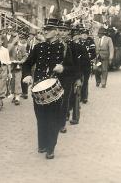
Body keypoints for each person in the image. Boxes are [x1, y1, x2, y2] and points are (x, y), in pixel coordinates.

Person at [23, 18, 79, 159]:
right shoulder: (39, 47)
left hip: (56, 90)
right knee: (40, 117)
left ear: (55, 31)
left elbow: (73, 69)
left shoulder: (64, 48)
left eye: (48, 29)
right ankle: (42, 143)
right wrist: (28, 75)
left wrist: (63, 68)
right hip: (38, 88)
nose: (45, 31)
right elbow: (27, 64)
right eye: (45, 29)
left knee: (53, 119)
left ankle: (51, 147)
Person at [0, 35, 12, 111]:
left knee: (2, 84)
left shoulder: (5, 50)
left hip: (3, 67)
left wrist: (9, 72)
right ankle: (0, 99)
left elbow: (8, 62)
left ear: (2, 41)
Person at [9, 32, 28, 105]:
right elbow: (8, 54)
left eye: (16, 37)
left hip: (19, 66)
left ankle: (17, 97)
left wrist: (22, 61)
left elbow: (25, 56)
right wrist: (11, 60)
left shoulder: (22, 47)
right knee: (12, 81)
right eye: (14, 37)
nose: (15, 39)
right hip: (12, 66)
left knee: (17, 80)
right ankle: (14, 95)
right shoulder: (11, 46)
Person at [78, 27, 96, 103]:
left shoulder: (90, 42)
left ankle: (84, 97)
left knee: (85, 81)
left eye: (86, 34)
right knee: (78, 80)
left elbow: (93, 53)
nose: (84, 36)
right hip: (78, 64)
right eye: (83, 34)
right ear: (80, 35)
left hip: (87, 64)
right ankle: (78, 97)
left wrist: (90, 58)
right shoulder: (77, 42)